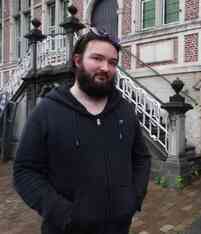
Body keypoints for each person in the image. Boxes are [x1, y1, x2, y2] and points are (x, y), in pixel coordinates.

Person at [13, 29, 151, 234]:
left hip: (119, 228)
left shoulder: (124, 109)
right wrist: (63, 214)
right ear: (77, 61)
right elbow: (25, 171)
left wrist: (133, 198)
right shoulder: (47, 110)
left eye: (112, 62)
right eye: (97, 58)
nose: (106, 67)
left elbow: (142, 158)